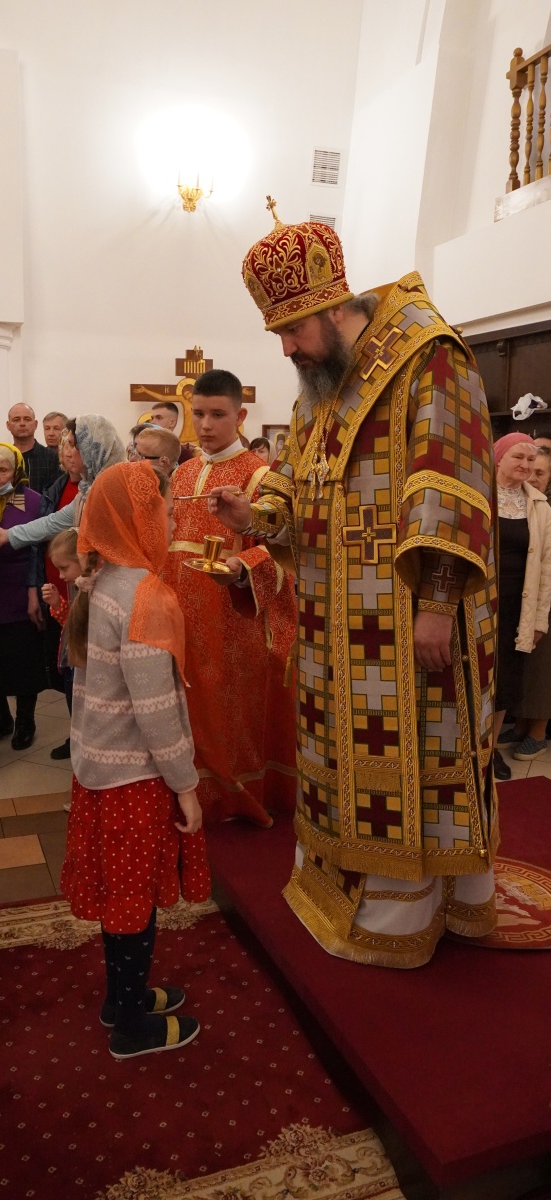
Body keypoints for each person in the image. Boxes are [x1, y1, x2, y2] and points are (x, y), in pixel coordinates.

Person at [210, 207, 499, 967]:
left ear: (334, 307)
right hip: (332, 621)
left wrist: (437, 604)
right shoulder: (324, 381)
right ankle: (343, 884)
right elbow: (299, 478)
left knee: (416, 755)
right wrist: (256, 513)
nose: (285, 348)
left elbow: (452, 481)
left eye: (293, 329)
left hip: (407, 617)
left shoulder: (427, 356)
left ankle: (410, 909)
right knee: (338, 756)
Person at [60, 460, 209, 1059]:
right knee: (134, 902)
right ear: (138, 518)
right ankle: (130, 1027)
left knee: (119, 898)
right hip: (135, 776)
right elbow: (156, 709)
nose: (172, 522)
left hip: (99, 770)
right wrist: (186, 784)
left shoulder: (101, 581)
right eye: (165, 511)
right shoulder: (144, 594)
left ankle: (121, 999)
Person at [164, 368, 297, 828]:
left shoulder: (262, 476)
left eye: (217, 414)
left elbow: (286, 550)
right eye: (198, 413)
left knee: (231, 710)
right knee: (189, 705)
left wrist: (244, 567)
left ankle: (238, 795)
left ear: (240, 416)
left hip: (235, 620)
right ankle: (192, 793)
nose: (205, 425)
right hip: (183, 614)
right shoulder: (182, 473)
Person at [0, 443, 48, 750]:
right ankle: (1, 718)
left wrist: (33, 592)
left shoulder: (32, 501)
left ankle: (25, 721)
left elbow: (37, 549)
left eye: (3, 470)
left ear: (16, 471)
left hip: (18, 588)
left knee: (22, 659)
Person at [492, 435, 551, 774]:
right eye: (518, 457)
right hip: (479, 603)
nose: (526, 465)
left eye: (531, 460)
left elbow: (546, 567)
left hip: (518, 607)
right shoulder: (478, 495)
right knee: (472, 678)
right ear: (498, 458)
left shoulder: (540, 506)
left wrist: (539, 620)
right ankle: (465, 752)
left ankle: (488, 753)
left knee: (506, 681)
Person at [0, 415, 125, 552]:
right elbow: (52, 523)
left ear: (90, 449)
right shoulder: (88, 490)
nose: (67, 453)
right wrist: (8, 535)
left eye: (72, 445)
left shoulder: (117, 487)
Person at [36, 423, 83, 729]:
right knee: (68, 680)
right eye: (65, 446)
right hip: (62, 588)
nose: (68, 452)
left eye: (74, 446)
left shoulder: (95, 489)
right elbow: (47, 525)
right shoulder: (56, 487)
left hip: (78, 585)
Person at [41, 526, 80, 765]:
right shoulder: (77, 588)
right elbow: (71, 624)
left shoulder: (94, 591)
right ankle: (77, 741)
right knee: (75, 710)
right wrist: (57, 604)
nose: (61, 576)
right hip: (73, 663)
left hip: (85, 666)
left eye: (64, 568)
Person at [5, 403, 60, 494]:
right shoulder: (3, 458)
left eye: (27, 419)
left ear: (35, 424)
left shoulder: (51, 457)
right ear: (8, 425)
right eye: (16, 420)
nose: (22, 423)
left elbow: (56, 494)